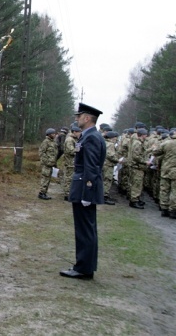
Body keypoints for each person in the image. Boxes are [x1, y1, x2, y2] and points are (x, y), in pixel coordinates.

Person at [60, 102, 106, 280]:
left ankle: (83, 268)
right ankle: (85, 266)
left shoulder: (92, 137)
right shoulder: (89, 136)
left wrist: (88, 192)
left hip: (84, 189)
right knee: (86, 229)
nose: (77, 119)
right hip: (83, 187)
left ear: (87, 118)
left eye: (79, 117)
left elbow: (92, 167)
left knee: (85, 230)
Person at [150, 129, 176, 218]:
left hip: (166, 169)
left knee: (164, 189)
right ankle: (173, 210)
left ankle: (164, 209)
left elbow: (155, 152)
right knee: (174, 190)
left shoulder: (167, 143)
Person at [128, 127, 149, 209]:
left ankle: (135, 199)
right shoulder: (137, 143)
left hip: (137, 167)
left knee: (136, 184)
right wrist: (145, 161)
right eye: (145, 135)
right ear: (142, 135)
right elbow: (136, 156)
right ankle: (134, 201)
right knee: (136, 184)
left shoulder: (138, 142)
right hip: (137, 167)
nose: (146, 136)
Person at [62, 124, 81, 201]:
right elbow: (70, 151)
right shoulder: (69, 140)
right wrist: (78, 150)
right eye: (79, 132)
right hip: (70, 162)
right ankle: (67, 194)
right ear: (74, 132)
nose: (80, 134)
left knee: (71, 178)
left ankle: (69, 193)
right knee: (69, 178)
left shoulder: (74, 139)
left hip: (72, 162)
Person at [38, 128, 58, 200]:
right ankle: (41, 193)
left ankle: (44, 193)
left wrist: (54, 162)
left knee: (48, 179)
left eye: (54, 133)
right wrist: (46, 161)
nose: (54, 135)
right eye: (53, 134)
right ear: (49, 134)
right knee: (45, 178)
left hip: (51, 164)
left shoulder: (53, 142)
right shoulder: (46, 142)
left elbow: (54, 154)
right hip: (46, 164)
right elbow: (41, 152)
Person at [102, 131, 119, 205]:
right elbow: (110, 155)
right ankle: (104, 196)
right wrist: (118, 160)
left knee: (103, 180)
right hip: (108, 165)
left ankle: (103, 195)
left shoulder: (104, 142)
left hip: (103, 164)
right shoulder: (111, 145)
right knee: (107, 180)